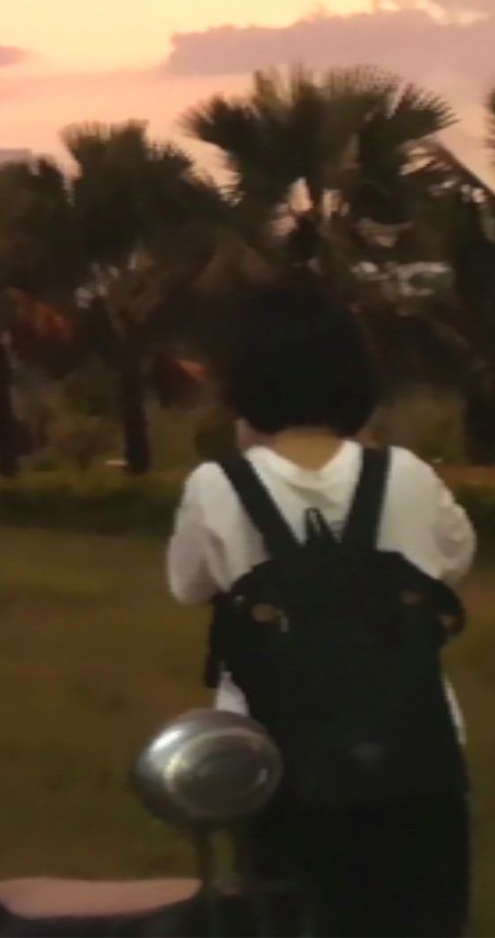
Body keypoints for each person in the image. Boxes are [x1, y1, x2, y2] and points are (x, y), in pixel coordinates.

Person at [168, 281, 474, 937]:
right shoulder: (408, 476)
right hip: (415, 751)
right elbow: (454, 561)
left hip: (277, 760)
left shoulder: (218, 486)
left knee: (298, 915)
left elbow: (187, 585)